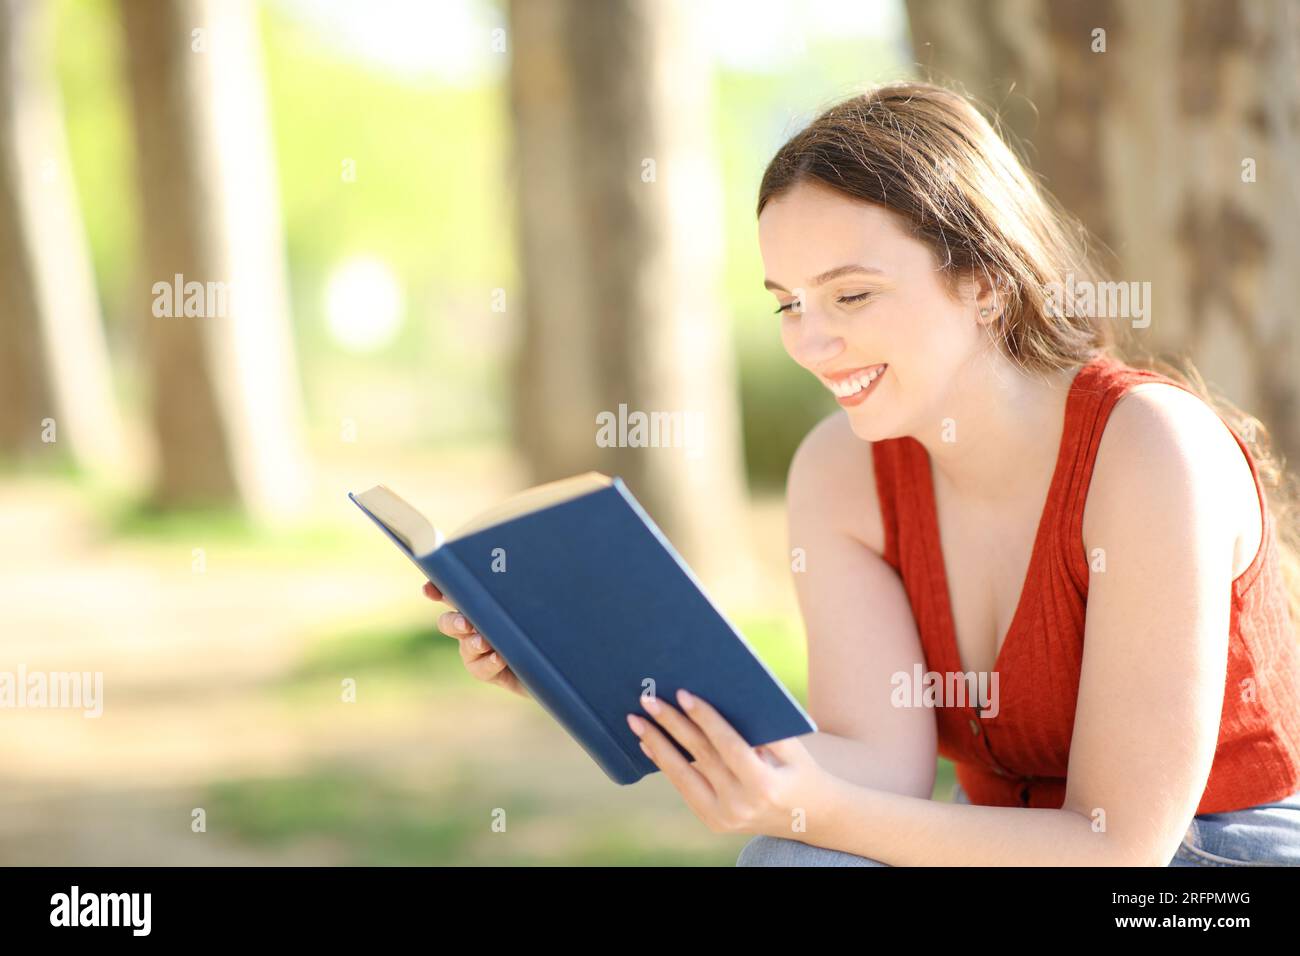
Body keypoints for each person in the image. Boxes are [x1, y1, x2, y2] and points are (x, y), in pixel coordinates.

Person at [428, 81, 1300, 866]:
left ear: (986, 279)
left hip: (1210, 865)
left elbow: (1117, 852)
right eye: (787, 303)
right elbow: (879, 768)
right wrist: (583, 670)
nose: (810, 341)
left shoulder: (1150, 449)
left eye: (850, 296)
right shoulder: (842, 472)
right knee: (798, 859)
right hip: (1019, 848)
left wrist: (821, 814)